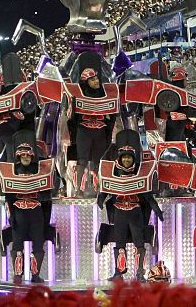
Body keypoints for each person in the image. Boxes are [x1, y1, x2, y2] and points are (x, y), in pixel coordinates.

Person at [96, 129, 163, 282]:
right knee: (119, 243)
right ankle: (119, 273)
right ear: (120, 158)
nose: (126, 160)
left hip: (135, 212)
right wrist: (100, 199)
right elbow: (105, 189)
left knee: (139, 243)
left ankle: (140, 272)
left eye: (129, 157)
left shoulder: (140, 174)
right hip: (119, 212)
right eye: (124, 157)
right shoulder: (113, 173)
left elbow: (148, 196)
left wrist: (157, 210)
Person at [1, 135, 54, 284]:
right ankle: (18, 275)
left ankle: (35, 275)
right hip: (18, 213)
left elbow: (47, 197)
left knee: (38, 243)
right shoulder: (11, 172)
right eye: (22, 154)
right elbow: (8, 198)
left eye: (28, 154)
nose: (25, 157)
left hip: (36, 212)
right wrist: (10, 216)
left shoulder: (40, 170)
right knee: (17, 244)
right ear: (18, 156)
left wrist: (46, 218)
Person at [70, 68, 115, 197]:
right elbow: (71, 117)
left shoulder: (105, 94)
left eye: (96, 78)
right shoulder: (78, 95)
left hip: (100, 131)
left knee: (99, 161)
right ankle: (78, 189)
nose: (96, 81)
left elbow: (112, 114)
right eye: (92, 79)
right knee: (81, 161)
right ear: (85, 82)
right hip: (83, 130)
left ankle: (101, 189)